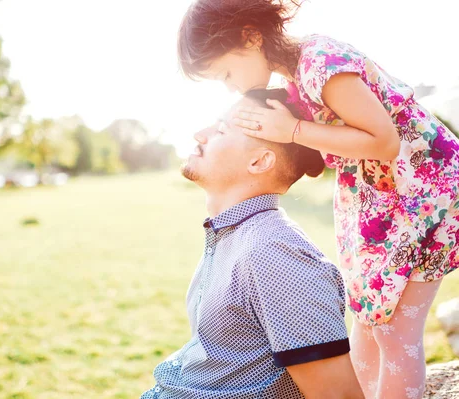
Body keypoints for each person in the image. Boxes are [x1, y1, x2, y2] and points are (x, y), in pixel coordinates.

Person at [176, 1, 459, 398]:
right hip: (376, 195)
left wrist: (293, 130)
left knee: (395, 329)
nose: (232, 87)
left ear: (251, 36)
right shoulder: (294, 79)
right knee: (366, 315)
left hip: (422, 193)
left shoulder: (320, 62)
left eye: (226, 73)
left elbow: (384, 141)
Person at [141, 88, 364, 399]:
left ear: (260, 161)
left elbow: (339, 396)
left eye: (220, 130)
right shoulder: (233, 235)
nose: (199, 135)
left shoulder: (275, 253)